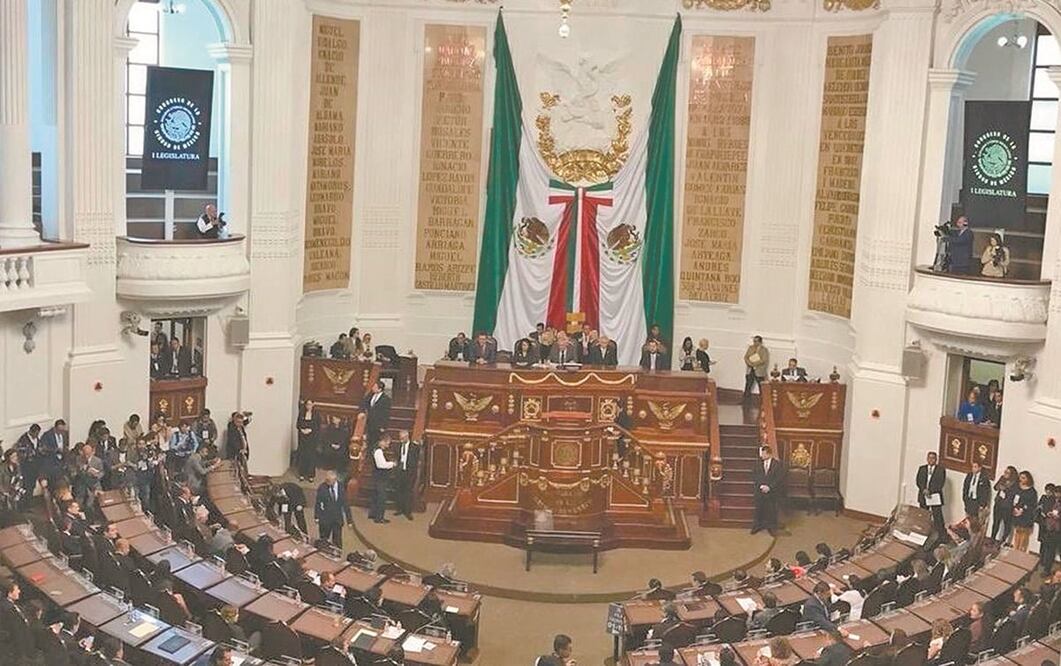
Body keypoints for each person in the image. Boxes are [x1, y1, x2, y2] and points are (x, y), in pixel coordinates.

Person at [314, 470, 352, 549]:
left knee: (337, 541)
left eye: (329, 480)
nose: (326, 482)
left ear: (335, 480)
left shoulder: (341, 487)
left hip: (337, 519)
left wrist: (349, 521)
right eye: (326, 480)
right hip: (325, 519)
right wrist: (316, 517)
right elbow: (318, 503)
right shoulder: (322, 487)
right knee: (324, 541)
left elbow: (346, 504)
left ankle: (337, 555)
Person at [752, 445, 783, 535]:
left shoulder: (777, 464)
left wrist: (769, 487)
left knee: (771, 510)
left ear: (769, 454)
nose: (761, 456)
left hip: (772, 492)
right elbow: (755, 475)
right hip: (760, 491)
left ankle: (771, 528)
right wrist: (761, 486)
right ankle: (757, 526)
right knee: (758, 509)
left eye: (763, 453)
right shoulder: (758, 464)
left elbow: (779, 478)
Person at [916, 451, 946, 535]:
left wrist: (930, 491)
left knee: (937, 516)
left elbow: (940, 483)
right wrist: (924, 490)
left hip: (934, 496)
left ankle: (940, 534)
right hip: (923, 495)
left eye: (933, 458)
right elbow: (918, 481)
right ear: (927, 459)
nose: (931, 460)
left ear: (936, 460)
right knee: (923, 515)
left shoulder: (941, 470)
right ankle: (922, 532)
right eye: (929, 458)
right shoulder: (922, 468)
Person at [393, 429, 421, 520]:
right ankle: (400, 509)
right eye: (400, 438)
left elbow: (416, 460)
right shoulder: (398, 446)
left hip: (409, 472)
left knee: (408, 491)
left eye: (402, 438)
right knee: (399, 490)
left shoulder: (414, 447)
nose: (400, 440)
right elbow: (397, 457)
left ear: (407, 437)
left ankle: (408, 511)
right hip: (400, 472)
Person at [370, 436, 397, 523]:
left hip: (377, 476)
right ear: (382, 441)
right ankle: (379, 518)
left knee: (376, 496)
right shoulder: (378, 451)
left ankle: (373, 513)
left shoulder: (375, 449)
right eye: (387, 443)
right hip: (380, 477)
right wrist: (392, 464)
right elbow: (381, 465)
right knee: (381, 497)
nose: (388, 445)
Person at [1011, 470, 1039, 551]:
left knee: (1024, 535)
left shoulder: (1032, 492)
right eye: (1020, 477)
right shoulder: (1017, 487)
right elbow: (1014, 499)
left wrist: (1023, 510)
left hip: (1025, 516)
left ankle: (1021, 550)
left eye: (1023, 478)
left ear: (1028, 479)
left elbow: (1032, 505)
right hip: (1016, 513)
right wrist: (1015, 508)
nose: (1021, 480)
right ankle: (1015, 549)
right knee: (1017, 532)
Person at [1037, 483, 1060, 575]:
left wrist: (1058, 516)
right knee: (1049, 550)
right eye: (1056, 493)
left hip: (1058, 530)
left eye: (1058, 493)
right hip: (1050, 528)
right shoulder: (1052, 501)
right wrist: (1048, 513)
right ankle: (1046, 570)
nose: (1057, 495)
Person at [992, 465, 1019, 544]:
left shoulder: (1015, 483)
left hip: (1007, 506)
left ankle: (1003, 540)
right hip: (998, 503)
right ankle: (992, 538)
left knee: (1007, 524)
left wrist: (1006, 489)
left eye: (1007, 473)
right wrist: (999, 486)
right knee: (996, 522)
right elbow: (995, 487)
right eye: (1005, 472)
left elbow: (1014, 494)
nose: (1005, 474)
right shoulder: (1002, 478)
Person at [361, 380, 390, 451]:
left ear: (380, 389)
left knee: (376, 443)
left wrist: (383, 426)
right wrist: (362, 412)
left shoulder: (386, 399)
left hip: (378, 425)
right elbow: (364, 402)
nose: (373, 388)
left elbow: (386, 414)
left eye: (375, 387)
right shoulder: (371, 395)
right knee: (370, 442)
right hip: (370, 424)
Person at [296, 400, 320, 482]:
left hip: (312, 438)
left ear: (313, 404)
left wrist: (311, 430)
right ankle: (302, 474)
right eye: (307, 404)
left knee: (311, 456)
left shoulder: (316, 415)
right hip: (303, 438)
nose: (308, 406)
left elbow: (318, 426)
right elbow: (298, 424)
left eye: (310, 404)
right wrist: (302, 430)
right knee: (303, 455)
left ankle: (311, 475)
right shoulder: (302, 413)